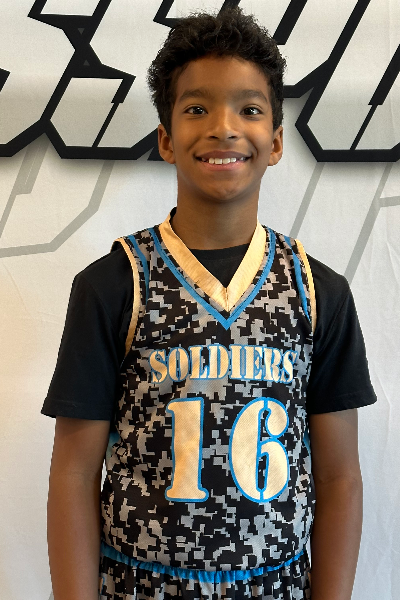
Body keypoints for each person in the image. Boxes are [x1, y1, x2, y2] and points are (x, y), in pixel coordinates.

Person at [42, 7, 377, 600]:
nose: (224, 128)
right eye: (197, 109)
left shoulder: (318, 292)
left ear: (276, 141)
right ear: (166, 139)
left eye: (249, 109)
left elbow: (339, 477)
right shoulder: (115, 284)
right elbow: (74, 472)